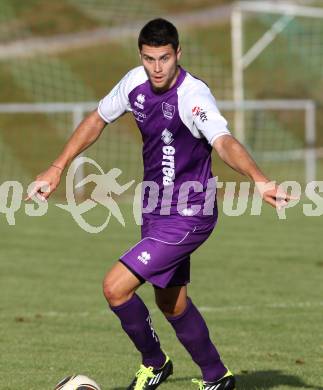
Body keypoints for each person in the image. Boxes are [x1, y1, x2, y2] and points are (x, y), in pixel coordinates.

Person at [27, 18, 291, 390]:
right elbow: (97, 119)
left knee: (115, 287)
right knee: (171, 303)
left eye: (164, 58)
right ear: (141, 55)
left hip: (190, 212)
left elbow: (223, 141)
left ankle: (154, 362)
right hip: (155, 209)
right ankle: (217, 376)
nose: (157, 67)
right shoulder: (134, 82)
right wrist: (57, 167)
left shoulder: (193, 96)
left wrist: (258, 178)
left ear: (178, 54)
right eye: (150, 58)